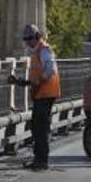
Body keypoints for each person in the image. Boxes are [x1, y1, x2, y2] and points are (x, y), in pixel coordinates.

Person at [22, 24, 62, 171]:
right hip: (41, 93)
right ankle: (38, 159)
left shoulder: (44, 49)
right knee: (37, 127)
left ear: (36, 37)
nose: (27, 42)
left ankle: (42, 160)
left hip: (46, 93)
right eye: (25, 39)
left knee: (41, 128)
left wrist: (40, 81)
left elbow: (50, 69)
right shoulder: (36, 51)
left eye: (29, 39)